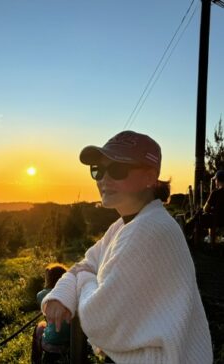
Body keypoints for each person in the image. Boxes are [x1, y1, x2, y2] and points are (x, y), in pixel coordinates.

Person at [41, 131, 213, 363]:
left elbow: (97, 317)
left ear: (150, 177)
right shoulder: (124, 225)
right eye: (97, 170)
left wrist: (82, 281)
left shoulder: (150, 230)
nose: (103, 179)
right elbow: (86, 263)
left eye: (117, 170)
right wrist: (63, 294)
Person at [32, 263, 70, 364]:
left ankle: (36, 360)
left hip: (53, 343)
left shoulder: (41, 295)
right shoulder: (72, 292)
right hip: (71, 342)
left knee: (39, 326)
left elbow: (48, 319)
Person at [202, 170, 224, 244]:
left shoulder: (215, 193)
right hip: (221, 220)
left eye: (215, 180)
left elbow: (206, 209)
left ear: (217, 180)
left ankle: (196, 243)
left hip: (216, 220)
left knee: (200, 217)